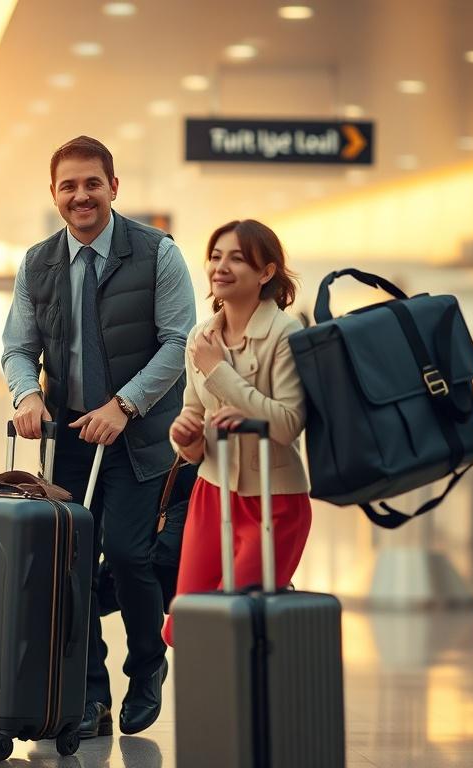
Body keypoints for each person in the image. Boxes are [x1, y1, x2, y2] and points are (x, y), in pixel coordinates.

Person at [2, 136, 194, 737]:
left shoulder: (158, 253)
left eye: (92, 184)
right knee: (73, 567)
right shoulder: (37, 263)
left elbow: (178, 342)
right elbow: (17, 347)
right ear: (54, 194)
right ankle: (89, 695)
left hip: (138, 440)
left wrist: (125, 406)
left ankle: (147, 669)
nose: (80, 195)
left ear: (113, 187)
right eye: (68, 186)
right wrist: (26, 394)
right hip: (70, 441)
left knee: (134, 557)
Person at [161, 219, 312, 647]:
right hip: (212, 494)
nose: (220, 267)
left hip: (274, 500)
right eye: (215, 256)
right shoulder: (200, 335)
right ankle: (213, 711)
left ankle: (251, 710)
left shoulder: (284, 334)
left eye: (237, 258)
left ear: (266, 273)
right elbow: (193, 418)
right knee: (187, 621)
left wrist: (218, 370)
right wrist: (185, 438)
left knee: (235, 619)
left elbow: (287, 423)